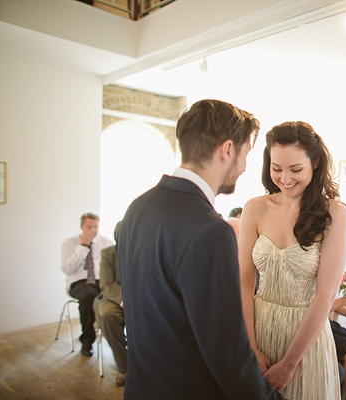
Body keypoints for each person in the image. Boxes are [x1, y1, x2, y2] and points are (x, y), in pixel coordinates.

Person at [117, 99, 285, 400]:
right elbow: (229, 357)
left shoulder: (137, 208)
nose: (246, 167)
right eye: (247, 153)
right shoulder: (210, 231)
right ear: (228, 149)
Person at [239, 121, 346, 399]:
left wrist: (289, 365)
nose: (285, 178)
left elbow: (325, 295)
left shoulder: (334, 214)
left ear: (315, 162)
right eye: (277, 168)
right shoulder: (255, 208)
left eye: (295, 169)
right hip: (260, 329)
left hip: (305, 340)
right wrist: (250, 346)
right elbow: (243, 283)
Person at [61, 212, 113, 357]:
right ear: (81, 226)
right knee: (90, 295)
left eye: (95, 227)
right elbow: (67, 269)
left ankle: (115, 336)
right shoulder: (69, 244)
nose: (92, 230)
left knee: (113, 294)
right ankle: (87, 340)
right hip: (78, 283)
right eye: (89, 226)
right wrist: (83, 246)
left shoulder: (106, 243)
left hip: (100, 280)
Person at [96, 221, 126, 387]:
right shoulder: (108, 253)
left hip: (138, 297)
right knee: (108, 316)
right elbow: (107, 284)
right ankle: (124, 367)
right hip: (113, 298)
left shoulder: (143, 252)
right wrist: (125, 301)